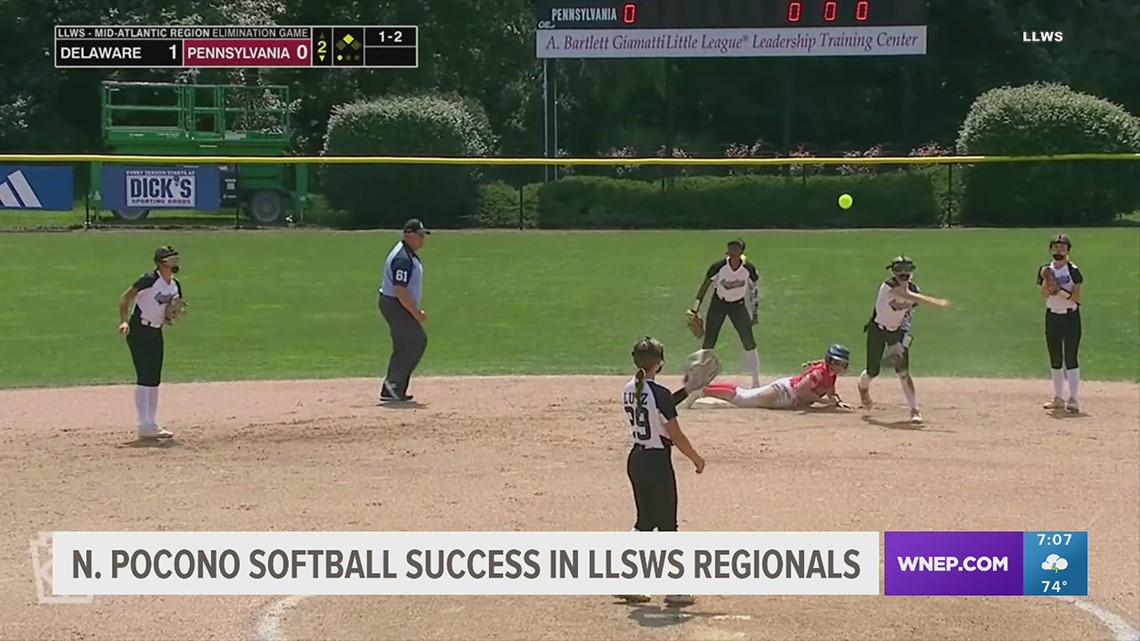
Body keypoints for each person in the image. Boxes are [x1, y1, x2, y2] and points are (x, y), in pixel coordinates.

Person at [616, 337, 705, 608]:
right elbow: (675, 433)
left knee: (644, 521)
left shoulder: (629, 388)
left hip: (637, 460)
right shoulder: (660, 394)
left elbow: (657, 404)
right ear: (660, 363)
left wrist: (687, 389)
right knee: (668, 526)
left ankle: (626, 580)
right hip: (657, 464)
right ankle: (677, 589)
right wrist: (696, 458)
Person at [855, 256, 949, 425]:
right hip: (877, 330)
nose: (903, 273)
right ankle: (862, 388)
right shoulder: (888, 287)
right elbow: (902, 299)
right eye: (899, 270)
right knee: (873, 370)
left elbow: (907, 315)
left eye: (906, 269)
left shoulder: (914, 290)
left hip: (896, 332)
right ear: (893, 272)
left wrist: (901, 340)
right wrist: (935, 302)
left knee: (903, 371)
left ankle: (915, 410)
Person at [117, 246, 184, 440]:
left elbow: (169, 311)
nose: (175, 262)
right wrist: (123, 321)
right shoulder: (149, 279)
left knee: (154, 377)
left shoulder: (175, 285)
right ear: (161, 262)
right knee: (144, 375)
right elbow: (125, 298)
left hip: (156, 331)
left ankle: (152, 424)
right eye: (172, 259)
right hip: (138, 330)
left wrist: (171, 316)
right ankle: (143, 423)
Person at [687, 239, 761, 388]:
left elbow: (753, 291)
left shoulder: (749, 269)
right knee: (709, 342)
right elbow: (705, 286)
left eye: (736, 249)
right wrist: (695, 309)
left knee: (749, 342)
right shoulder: (718, 267)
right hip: (718, 304)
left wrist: (754, 313)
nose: (732, 252)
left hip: (738, 306)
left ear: (741, 252)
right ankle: (700, 382)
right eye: (730, 249)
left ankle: (756, 382)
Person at [701, 344, 855, 410]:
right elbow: (801, 390)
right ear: (830, 361)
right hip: (784, 393)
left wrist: (837, 401)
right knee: (743, 399)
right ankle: (704, 390)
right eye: (838, 362)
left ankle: (704, 388)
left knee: (745, 394)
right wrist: (822, 401)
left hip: (787, 396)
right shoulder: (819, 373)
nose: (841, 366)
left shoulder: (831, 374)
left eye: (842, 363)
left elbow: (830, 389)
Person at [378, 219, 430, 403]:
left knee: (406, 344)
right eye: (420, 235)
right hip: (396, 304)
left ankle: (392, 387)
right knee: (415, 341)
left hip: (394, 303)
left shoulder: (407, 253)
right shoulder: (402, 258)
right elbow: (400, 290)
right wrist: (416, 312)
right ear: (409, 235)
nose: (423, 239)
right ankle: (393, 386)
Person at [1037, 234, 1083, 413]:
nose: (1058, 250)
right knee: (1055, 358)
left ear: (1068, 250)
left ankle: (1073, 399)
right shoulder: (1045, 269)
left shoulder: (1073, 270)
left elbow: (1076, 298)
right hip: (1052, 316)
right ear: (1051, 249)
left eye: (1062, 247)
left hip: (1071, 317)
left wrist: (1059, 291)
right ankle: (1058, 397)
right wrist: (1048, 284)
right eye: (1055, 247)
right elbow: (1043, 294)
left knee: (1070, 358)